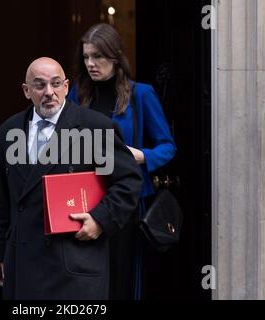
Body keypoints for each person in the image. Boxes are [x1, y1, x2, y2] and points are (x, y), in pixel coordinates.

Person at [0, 57, 143, 299]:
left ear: (66, 87)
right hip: (22, 264)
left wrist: (101, 220)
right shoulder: (10, 130)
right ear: (26, 91)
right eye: (39, 85)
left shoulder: (95, 127)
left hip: (75, 265)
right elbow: (0, 198)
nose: (49, 92)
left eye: (56, 83)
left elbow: (129, 182)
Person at [68, 23, 176, 299]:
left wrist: (141, 155)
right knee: (84, 276)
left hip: (128, 200)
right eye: (86, 57)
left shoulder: (141, 94)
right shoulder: (76, 94)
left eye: (98, 57)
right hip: (84, 196)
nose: (91, 64)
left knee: (122, 277)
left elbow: (167, 147)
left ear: (115, 57)